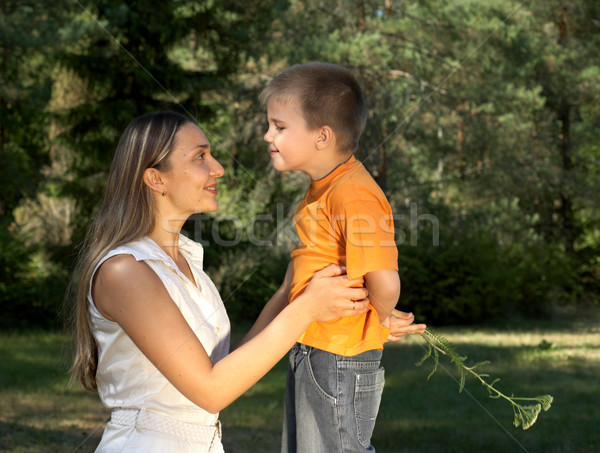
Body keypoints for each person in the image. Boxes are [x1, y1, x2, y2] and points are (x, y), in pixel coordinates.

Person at [68, 111, 374, 452]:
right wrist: (305, 309)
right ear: (156, 179)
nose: (218, 168)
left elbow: (227, 369)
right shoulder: (124, 271)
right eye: (200, 156)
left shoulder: (186, 264)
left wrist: (317, 293)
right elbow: (212, 389)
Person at [259, 62, 426, 452]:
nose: (268, 135)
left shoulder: (353, 193)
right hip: (315, 347)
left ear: (322, 136)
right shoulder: (324, 188)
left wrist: (381, 318)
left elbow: (385, 282)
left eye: (279, 127)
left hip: (339, 356)